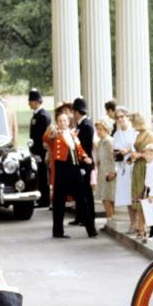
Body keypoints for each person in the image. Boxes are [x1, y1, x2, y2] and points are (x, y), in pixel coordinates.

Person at [45, 111, 97, 239]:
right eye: (60, 121)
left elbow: (79, 149)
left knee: (82, 198)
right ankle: (57, 231)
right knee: (59, 201)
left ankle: (91, 230)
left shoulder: (73, 134)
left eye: (64, 121)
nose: (62, 123)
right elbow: (46, 138)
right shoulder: (55, 134)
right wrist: (51, 132)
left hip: (75, 168)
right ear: (57, 123)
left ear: (68, 122)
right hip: (62, 169)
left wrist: (85, 157)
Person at [127, 112, 153, 240]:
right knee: (138, 197)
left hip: (146, 167)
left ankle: (146, 229)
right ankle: (141, 229)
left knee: (144, 197)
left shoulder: (149, 134)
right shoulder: (139, 134)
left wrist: (140, 155)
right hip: (138, 167)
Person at [71, 97, 96, 229]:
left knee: (86, 192)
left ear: (77, 112)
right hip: (79, 162)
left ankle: (88, 217)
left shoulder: (86, 126)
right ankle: (80, 216)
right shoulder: (81, 125)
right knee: (80, 191)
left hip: (84, 163)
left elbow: (85, 147)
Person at [28, 89, 52, 207]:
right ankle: (41, 198)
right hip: (36, 149)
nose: (29, 103)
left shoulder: (43, 116)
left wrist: (39, 151)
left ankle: (44, 200)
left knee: (43, 175)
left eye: (31, 101)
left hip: (41, 151)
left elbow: (43, 136)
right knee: (39, 174)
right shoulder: (36, 115)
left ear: (36, 102)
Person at [111, 106, 136, 214]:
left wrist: (127, 150)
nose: (120, 119)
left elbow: (139, 146)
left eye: (122, 116)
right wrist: (115, 154)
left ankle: (139, 223)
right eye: (117, 117)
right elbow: (115, 148)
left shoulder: (135, 131)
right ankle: (132, 222)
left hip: (134, 164)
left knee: (135, 195)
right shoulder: (116, 134)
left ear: (127, 117)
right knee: (126, 196)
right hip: (122, 167)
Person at [95, 120, 117, 220]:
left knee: (109, 198)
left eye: (100, 129)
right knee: (105, 198)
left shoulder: (110, 141)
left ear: (106, 129)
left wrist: (114, 171)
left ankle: (111, 219)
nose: (98, 132)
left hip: (109, 173)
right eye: (97, 129)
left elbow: (114, 158)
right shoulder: (99, 142)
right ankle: (109, 220)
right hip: (102, 172)